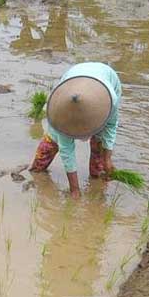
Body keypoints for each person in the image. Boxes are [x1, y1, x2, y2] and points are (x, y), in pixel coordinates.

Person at [30, 62, 122, 198]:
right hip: (71, 85)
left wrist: (107, 158)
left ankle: (96, 179)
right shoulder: (59, 110)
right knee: (52, 141)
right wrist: (74, 189)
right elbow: (67, 152)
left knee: (99, 144)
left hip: (103, 83)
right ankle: (35, 171)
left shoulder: (109, 101)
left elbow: (110, 127)